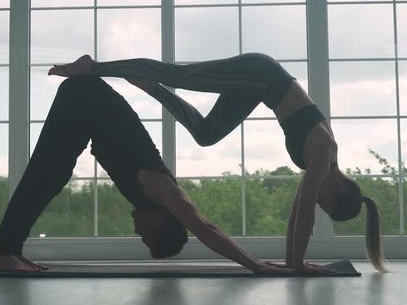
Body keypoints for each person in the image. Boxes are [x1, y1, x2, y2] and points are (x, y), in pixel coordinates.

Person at [49, 53, 387, 272]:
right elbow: (304, 215)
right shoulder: (323, 150)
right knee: (183, 76)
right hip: (262, 74)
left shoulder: (321, 167)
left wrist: (291, 264)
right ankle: (91, 68)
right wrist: (297, 265)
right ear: (341, 185)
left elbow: (298, 211)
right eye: (325, 200)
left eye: (321, 203)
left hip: (258, 88)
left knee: (207, 134)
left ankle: (152, 86)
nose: (317, 198)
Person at [0, 74, 296, 275]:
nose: (137, 232)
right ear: (160, 222)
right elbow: (205, 229)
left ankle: (11, 250)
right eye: (145, 236)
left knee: (50, 177)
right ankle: (3, 253)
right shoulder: (162, 190)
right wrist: (255, 264)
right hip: (84, 98)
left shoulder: (149, 197)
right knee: (44, 176)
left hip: (85, 105)